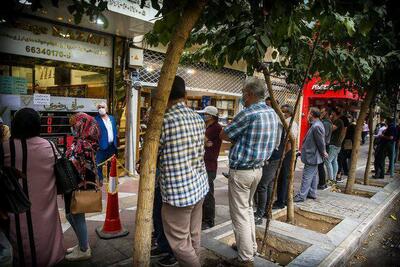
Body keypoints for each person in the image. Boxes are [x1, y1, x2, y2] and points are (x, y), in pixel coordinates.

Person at [220, 77, 278, 265]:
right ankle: (250, 247)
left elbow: (224, 134)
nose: (242, 97)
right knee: (247, 210)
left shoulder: (248, 113)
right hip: (258, 170)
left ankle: (245, 259)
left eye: (244, 93)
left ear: (250, 94)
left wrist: (238, 140)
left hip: (242, 172)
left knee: (240, 215)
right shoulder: (271, 113)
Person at [2, 108, 64, 266]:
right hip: (46, 210)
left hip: (13, 213)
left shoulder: (5, 148)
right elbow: (62, 173)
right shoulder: (50, 147)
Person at [158, 76, 209, 267]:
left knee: (179, 243)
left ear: (163, 95)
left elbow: (153, 154)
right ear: (185, 95)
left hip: (178, 194)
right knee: (194, 234)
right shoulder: (198, 118)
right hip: (199, 187)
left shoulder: (162, 121)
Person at [65, 113, 100, 261]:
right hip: (79, 184)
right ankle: (82, 243)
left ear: (81, 125)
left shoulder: (82, 144)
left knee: (76, 215)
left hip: (78, 185)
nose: (72, 128)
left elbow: (75, 164)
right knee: (72, 215)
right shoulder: (86, 141)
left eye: (74, 125)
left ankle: (84, 248)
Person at [294, 108, 327, 202]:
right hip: (313, 156)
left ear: (312, 114)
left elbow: (320, 142)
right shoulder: (317, 124)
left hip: (312, 156)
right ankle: (312, 193)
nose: (307, 115)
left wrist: (323, 152)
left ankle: (301, 196)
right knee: (313, 176)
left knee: (307, 176)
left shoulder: (316, 126)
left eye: (309, 113)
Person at [198, 106, 222, 230]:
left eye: (206, 114)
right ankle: (204, 218)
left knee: (208, 193)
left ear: (211, 116)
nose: (204, 116)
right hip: (203, 162)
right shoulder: (206, 127)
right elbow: (200, 140)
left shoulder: (215, 128)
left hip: (210, 164)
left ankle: (209, 220)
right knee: (203, 192)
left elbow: (200, 139)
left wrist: (203, 141)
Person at [273, 104, 299, 209]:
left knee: (284, 178)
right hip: (287, 153)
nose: (281, 114)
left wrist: (283, 155)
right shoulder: (288, 122)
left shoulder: (290, 123)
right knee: (284, 178)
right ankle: (284, 199)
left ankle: (281, 201)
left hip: (288, 154)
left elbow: (290, 141)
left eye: (283, 112)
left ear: (288, 113)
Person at [95, 102, 118, 184]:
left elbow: (114, 129)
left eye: (103, 107)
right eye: (99, 107)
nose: (101, 109)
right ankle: (100, 179)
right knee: (99, 163)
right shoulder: (96, 120)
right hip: (101, 145)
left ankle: (111, 178)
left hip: (112, 145)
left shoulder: (112, 118)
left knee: (111, 163)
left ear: (107, 108)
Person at [325, 108, 344, 182]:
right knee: (334, 161)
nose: (331, 114)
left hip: (334, 144)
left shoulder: (338, 121)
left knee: (328, 161)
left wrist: (328, 121)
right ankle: (333, 178)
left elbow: (331, 129)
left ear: (334, 113)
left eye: (332, 113)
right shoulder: (337, 121)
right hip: (336, 144)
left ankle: (331, 179)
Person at [318, 107, 332, 190]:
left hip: (324, 145)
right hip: (325, 145)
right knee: (320, 165)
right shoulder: (326, 122)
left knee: (320, 165)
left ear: (326, 113)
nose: (321, 113)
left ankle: (322, 183)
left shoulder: (326, 123)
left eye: (322, 112)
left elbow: (323, 135)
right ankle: (322, 183)